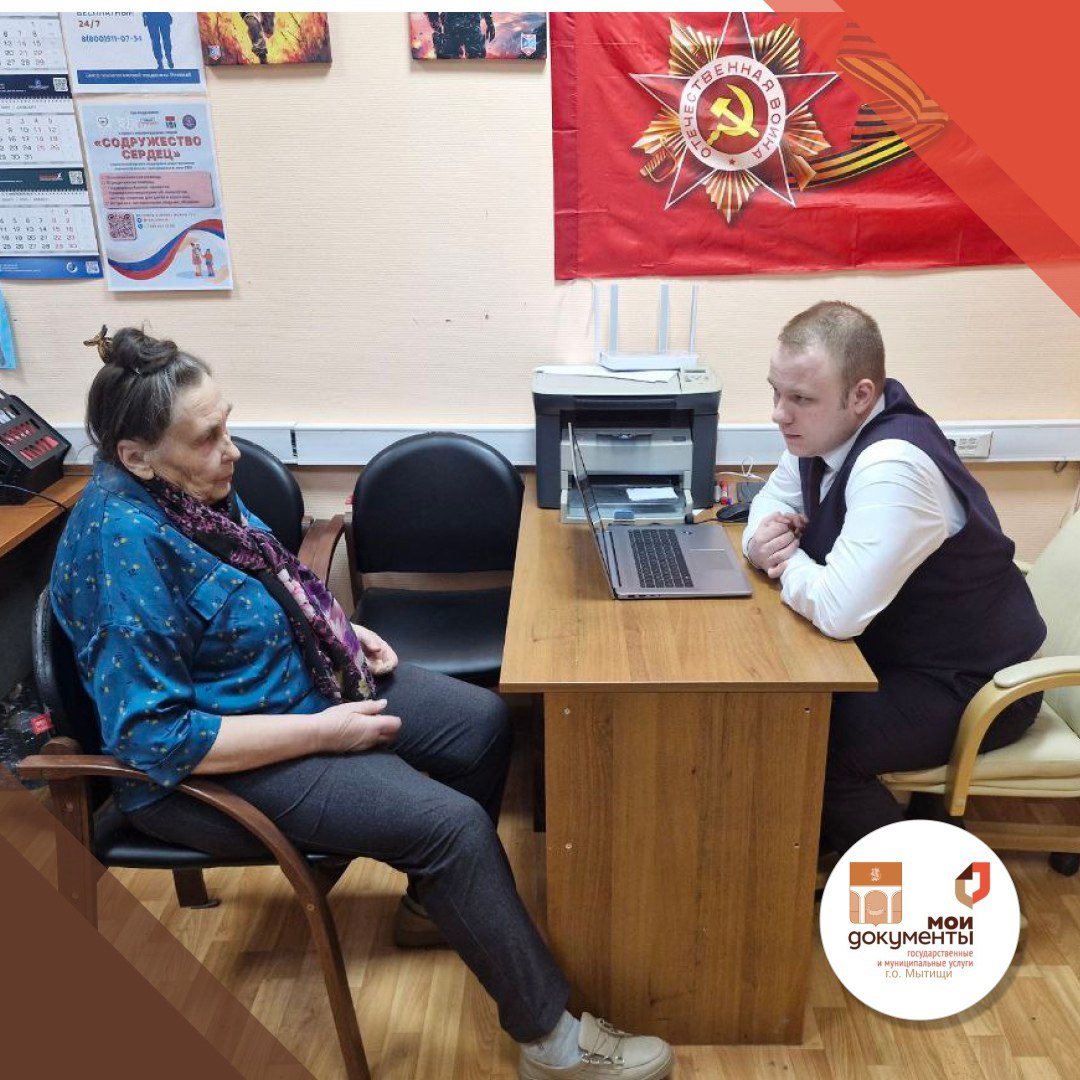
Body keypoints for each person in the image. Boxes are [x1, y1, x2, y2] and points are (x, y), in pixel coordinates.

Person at [51, 325, 674, 1080]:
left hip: (288, 691)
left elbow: (272, 579)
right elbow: (156, 740)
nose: (232, 450)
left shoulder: (190, 491)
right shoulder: (121, 543)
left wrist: (343, 631)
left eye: (227, 425)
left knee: (480, 724)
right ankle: (552, 1045)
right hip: (204, 769)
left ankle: (433, 905)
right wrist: (323, 734)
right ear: (136, 456)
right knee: (451, 826)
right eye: (208, 438)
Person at [742, 301, 1045, 854]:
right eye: (775, 392)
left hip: (975, 683)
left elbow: (838, 612)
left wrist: (783, 560)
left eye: (800, 399)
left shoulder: (893, 466)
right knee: (780, 712)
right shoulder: (823, 433)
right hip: (898, 656)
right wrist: (760, 541)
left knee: (814, 743)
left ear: (861, 395)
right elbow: (769, 502)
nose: (779, 414)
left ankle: (928, 882)